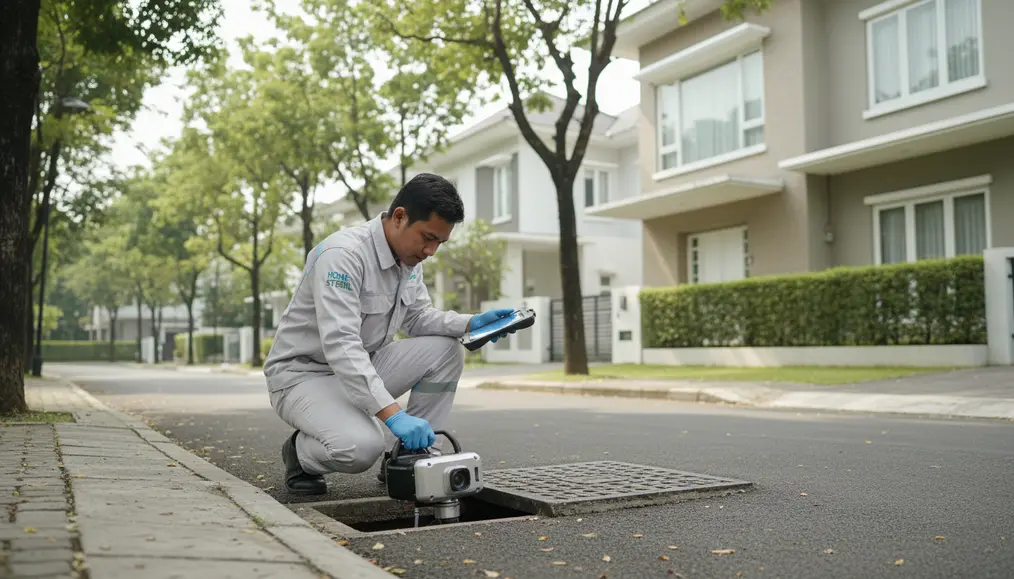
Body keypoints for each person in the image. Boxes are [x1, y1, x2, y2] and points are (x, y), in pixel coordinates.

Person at [263, 173, 515, 495]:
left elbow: (418, 317)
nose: (431, 251)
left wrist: (472, 323)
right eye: (428, 237)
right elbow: (341, 344)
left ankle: (410, 458)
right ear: (399, 217)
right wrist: (394, 416)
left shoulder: (409, 258)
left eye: (439, 242)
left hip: (362, 365)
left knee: (447, 350)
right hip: (303, 376)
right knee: (360, 447)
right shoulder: (343, 255)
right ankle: (299, 455)